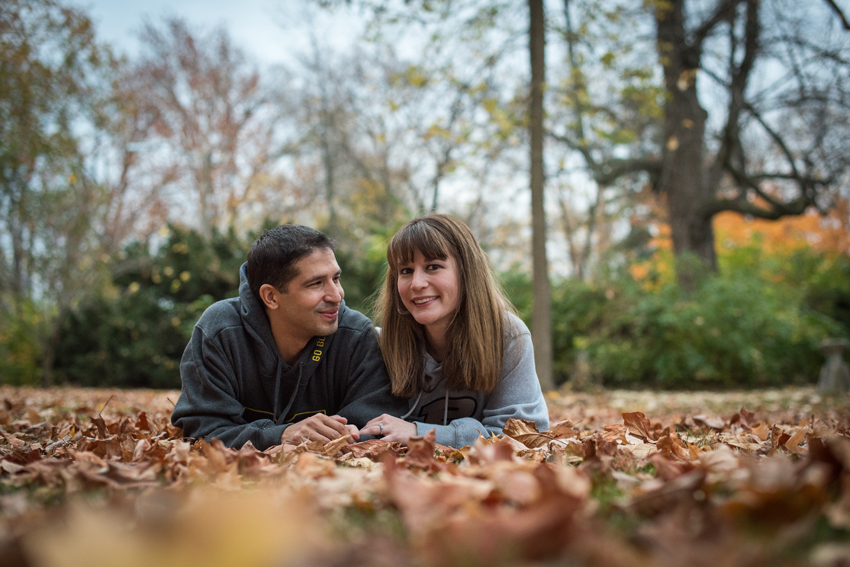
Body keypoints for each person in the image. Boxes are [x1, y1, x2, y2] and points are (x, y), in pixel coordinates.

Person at [171, 224, 407, 450]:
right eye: (316, 284)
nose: (337, 296)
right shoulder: (219, 331)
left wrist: (342, 437)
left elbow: (375, 428)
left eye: (336, 279)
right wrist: (281, 435)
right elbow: (200, 432)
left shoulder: (356, 335)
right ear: (271, 297)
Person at [361, 214, 549, 448]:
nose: (417, 283)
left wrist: (419, 433)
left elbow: (523, 438)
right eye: (406, 271)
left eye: (433, 267)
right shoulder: (379, 344)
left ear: (467, 272)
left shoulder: (508, 336)